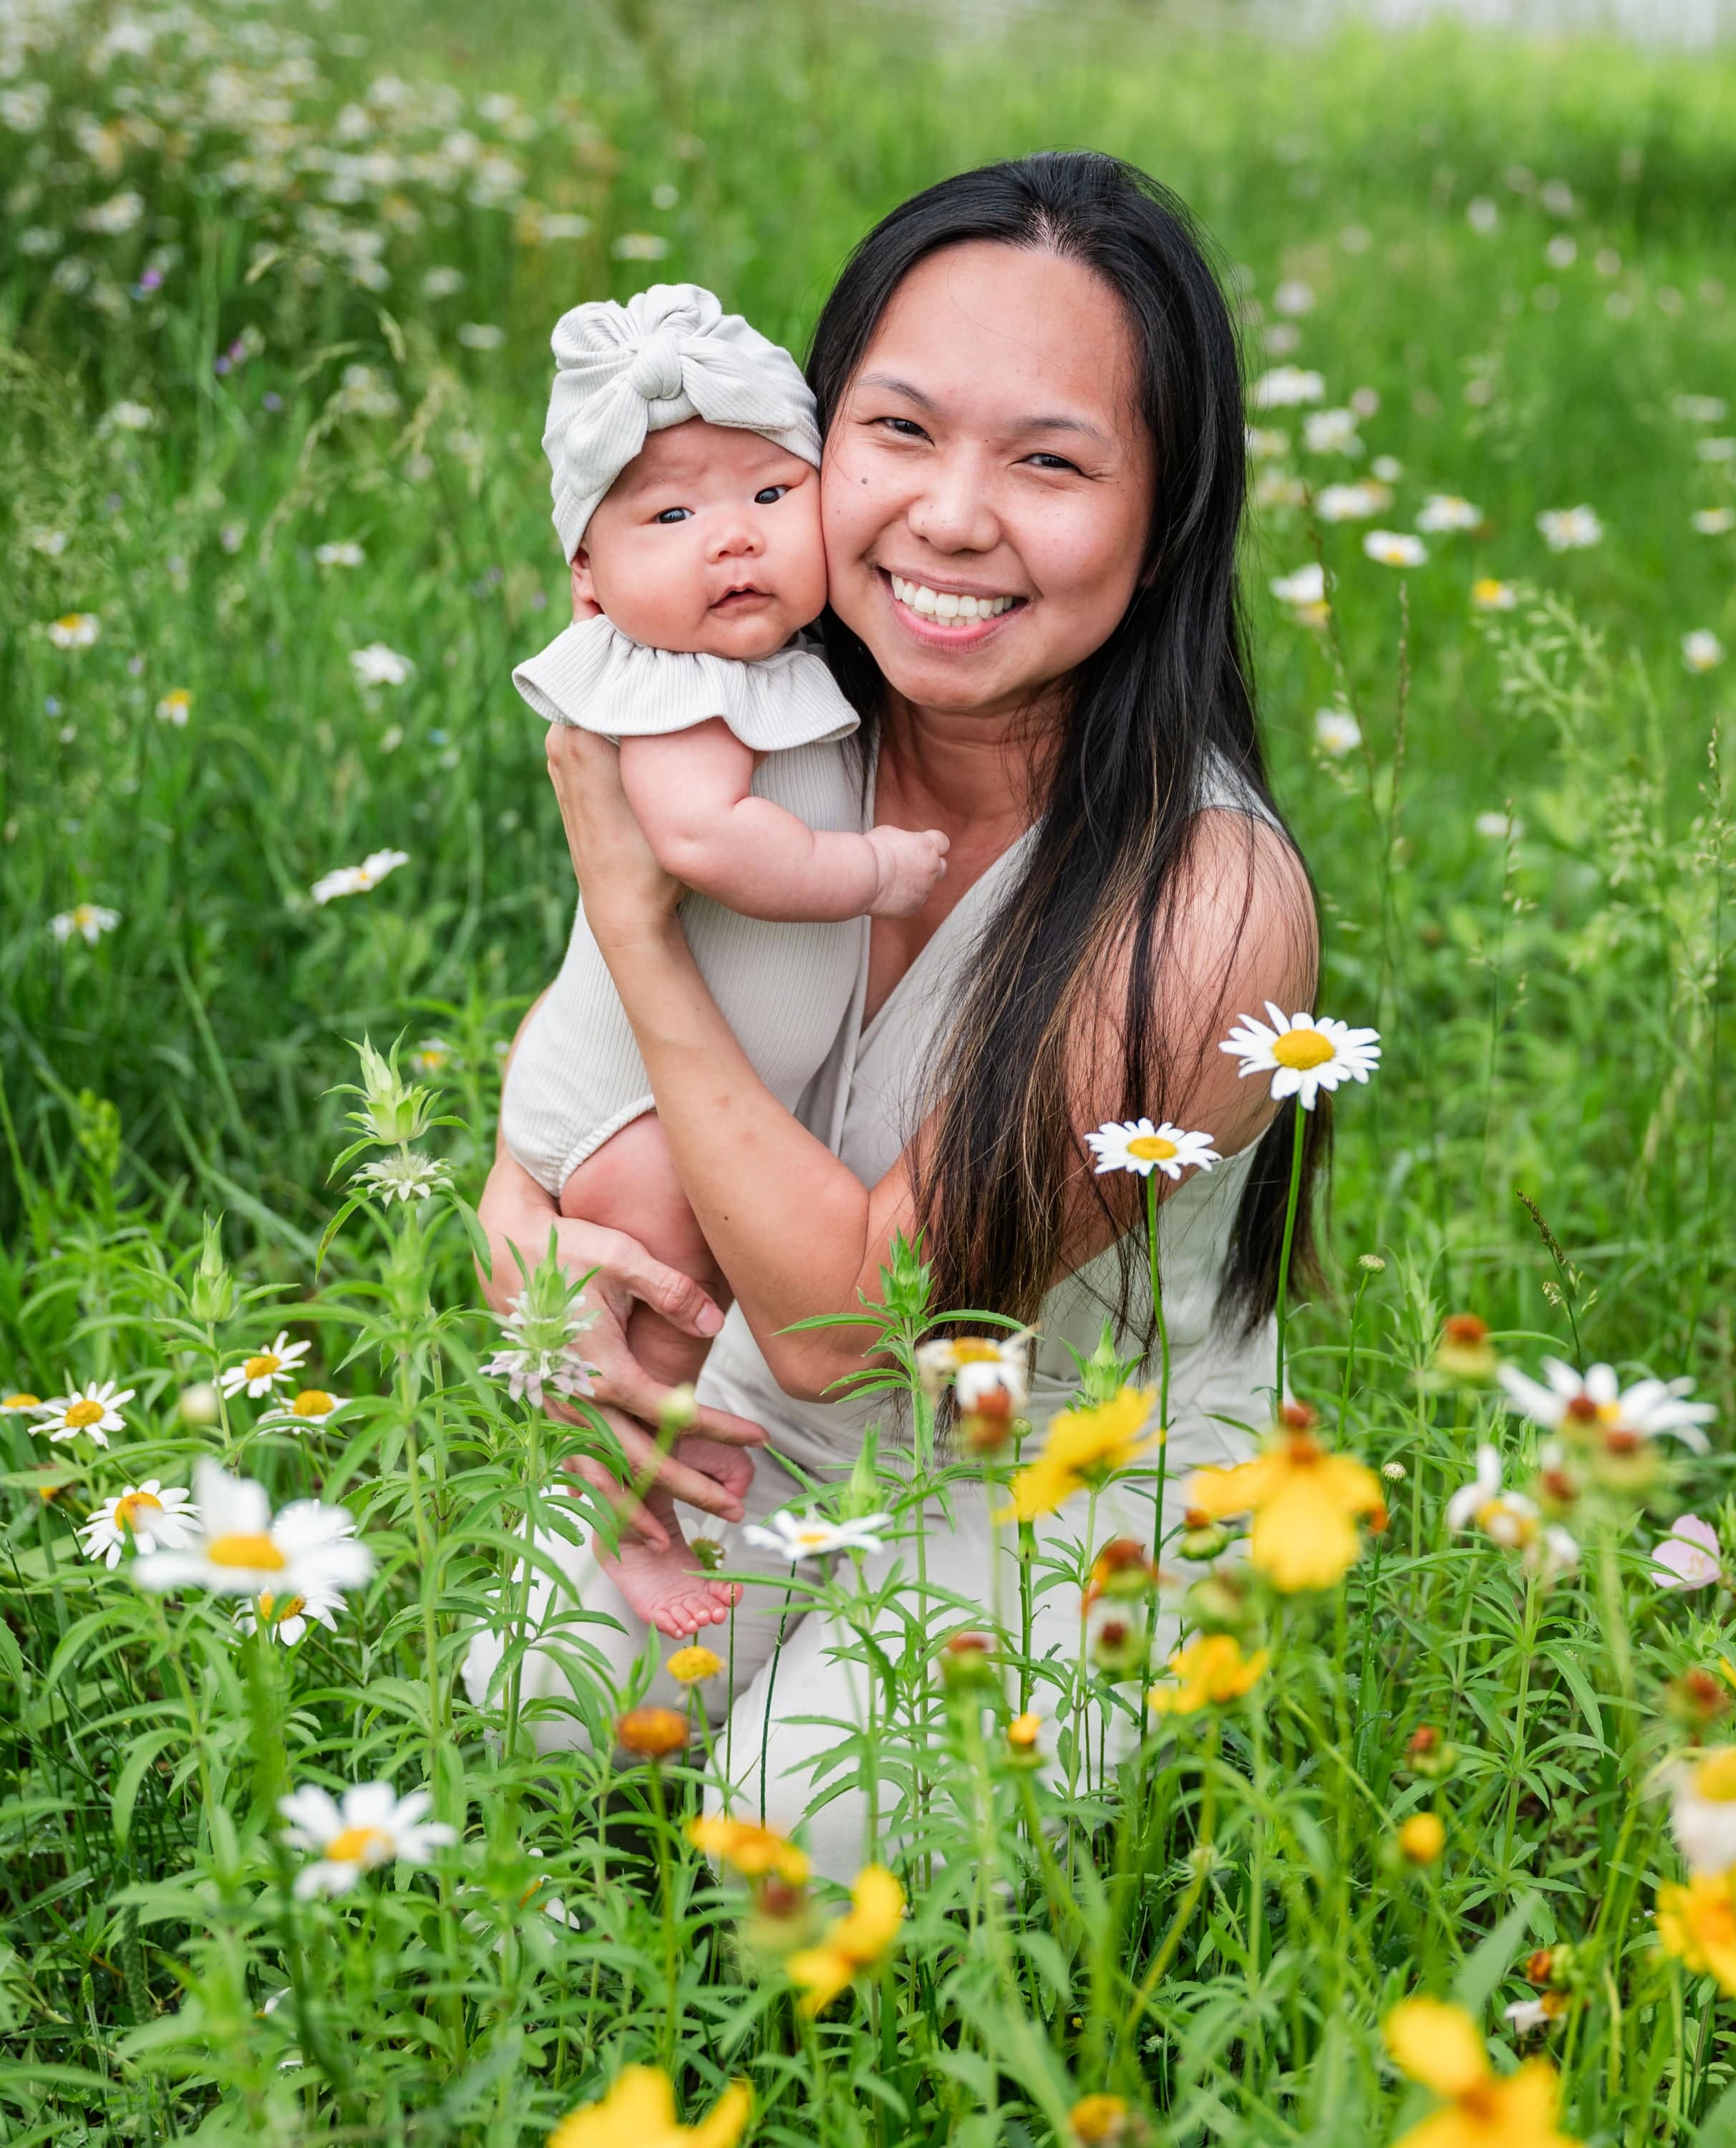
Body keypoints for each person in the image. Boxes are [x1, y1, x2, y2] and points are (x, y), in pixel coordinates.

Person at [467, 150, 1327, 1877]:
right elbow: (567, 1106)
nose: (949, 516)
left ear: (1165, 518)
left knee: (795, 1830)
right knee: (526, 1713)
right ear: (811, 445)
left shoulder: (1210, 903)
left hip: (1080, 1466)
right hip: (768, 1415)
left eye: (1051, 462)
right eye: (901, 432)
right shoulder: (754, 715)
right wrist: (524, 1226)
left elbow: (861, 1328)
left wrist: (642, 919)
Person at [500, 281, 947, 1639]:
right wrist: (869, 873)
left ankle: (651, 1496)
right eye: (671, 517)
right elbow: (706, 842)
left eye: (768, 494)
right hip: (631, 1098)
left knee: (669, 1319)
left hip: (664, 1075)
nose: (733, 543)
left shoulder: (768, 670)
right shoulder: (674, 687)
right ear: (587, 576)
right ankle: (627, 1514)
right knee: (664, 1323)